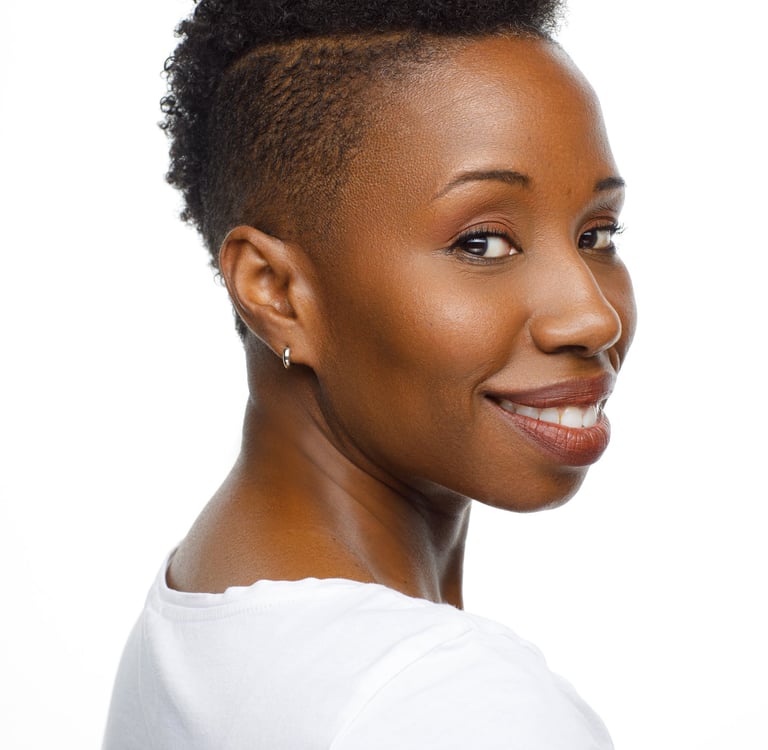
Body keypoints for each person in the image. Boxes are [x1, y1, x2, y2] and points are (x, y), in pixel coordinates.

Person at [103, 0, 636, 747]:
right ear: (275, 291)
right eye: (482, 243)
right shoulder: (455, 706)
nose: (592, 317)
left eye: (597, 234)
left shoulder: (195, 612)